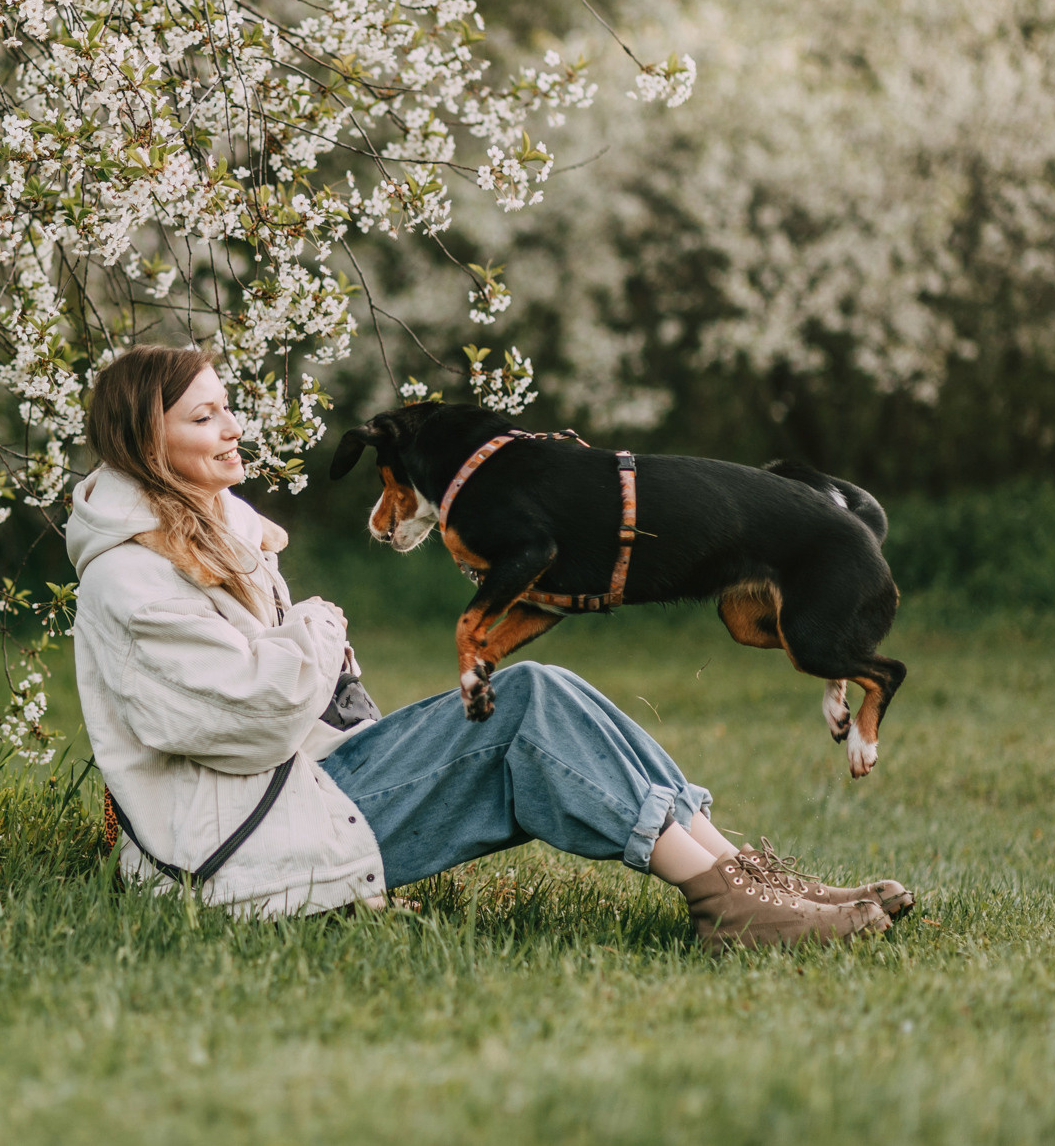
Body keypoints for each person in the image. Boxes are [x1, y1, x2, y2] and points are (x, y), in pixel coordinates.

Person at [66, 345, 913, 952]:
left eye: (228, 406)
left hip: (299, 786)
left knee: (545, 683)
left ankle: (753, 881)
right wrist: (318, 630)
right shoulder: (128, 581)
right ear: (147, 440)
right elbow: (249, 718)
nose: (234, 426)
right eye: (204, 414)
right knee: (530, 703)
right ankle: (726, 901)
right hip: (236, 847)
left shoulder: (217, 538)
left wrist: (321, 660)